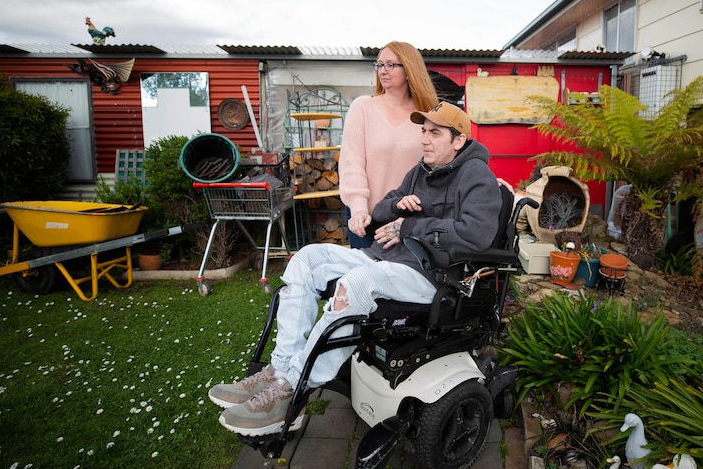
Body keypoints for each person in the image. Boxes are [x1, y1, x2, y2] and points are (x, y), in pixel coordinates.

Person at [209, 102, 502, 436]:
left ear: (458, 141)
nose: (425, 139)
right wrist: (396, 206)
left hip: (431, 276)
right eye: (423, 131)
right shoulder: (421, 170)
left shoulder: (476, 176)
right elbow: (380, 209)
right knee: (307, 259)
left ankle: (292, 389)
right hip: (387, 259)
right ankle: (281, 367)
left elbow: (477, 234)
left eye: (435, 133)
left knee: (357, 284)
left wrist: (408, 227)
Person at [340, 41, 439, 248]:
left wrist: (487, 179)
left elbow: (448, 161)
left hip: (408, 218)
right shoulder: (363, 107)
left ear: (409, 69)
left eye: (391, 65)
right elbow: (352, 162)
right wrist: (358, 208)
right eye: (379, 65)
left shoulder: (429, 114)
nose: (382, 71)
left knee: (402, 279)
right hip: (366, 216)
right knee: (361, 278)